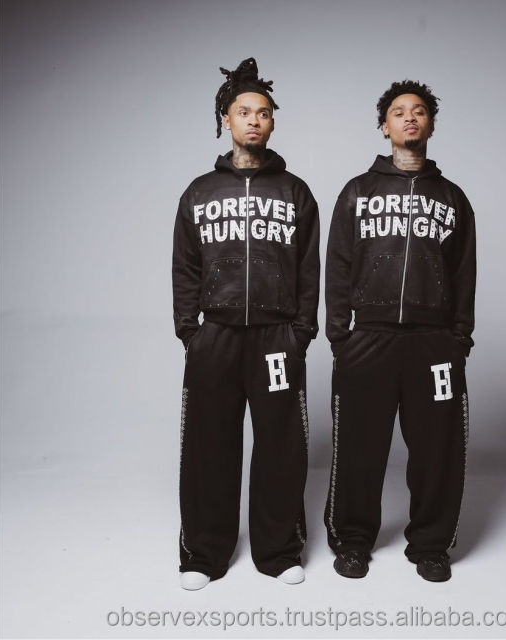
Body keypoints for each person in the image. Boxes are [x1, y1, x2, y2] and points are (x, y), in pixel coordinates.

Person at [172, 57, 319, 589]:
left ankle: (278, 551)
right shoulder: (199, 192)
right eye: (243, 112)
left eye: (263, 112)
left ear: (272, 122)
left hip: (277, 338)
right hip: (215, 336)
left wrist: (300, 333)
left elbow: (309, 269)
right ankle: (204, 555)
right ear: (225, 120)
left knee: (281, 445)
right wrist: (191, 331)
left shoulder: (296, 192)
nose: (254, 120)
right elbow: (185, 267)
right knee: (209, 445)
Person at [324, 80, 476, 582]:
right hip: (367, 339)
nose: (409, 117)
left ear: (430, 123)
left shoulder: (453, 198)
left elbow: (464, 274)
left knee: (437, 450)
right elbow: (338, 264)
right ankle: (352, 541)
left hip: (434, 343)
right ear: (384, 126)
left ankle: (431, 546)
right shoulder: (358, 191)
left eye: (419, 111)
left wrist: (459, 338)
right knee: (358, 448)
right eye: (398, 111)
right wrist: (340, 336)